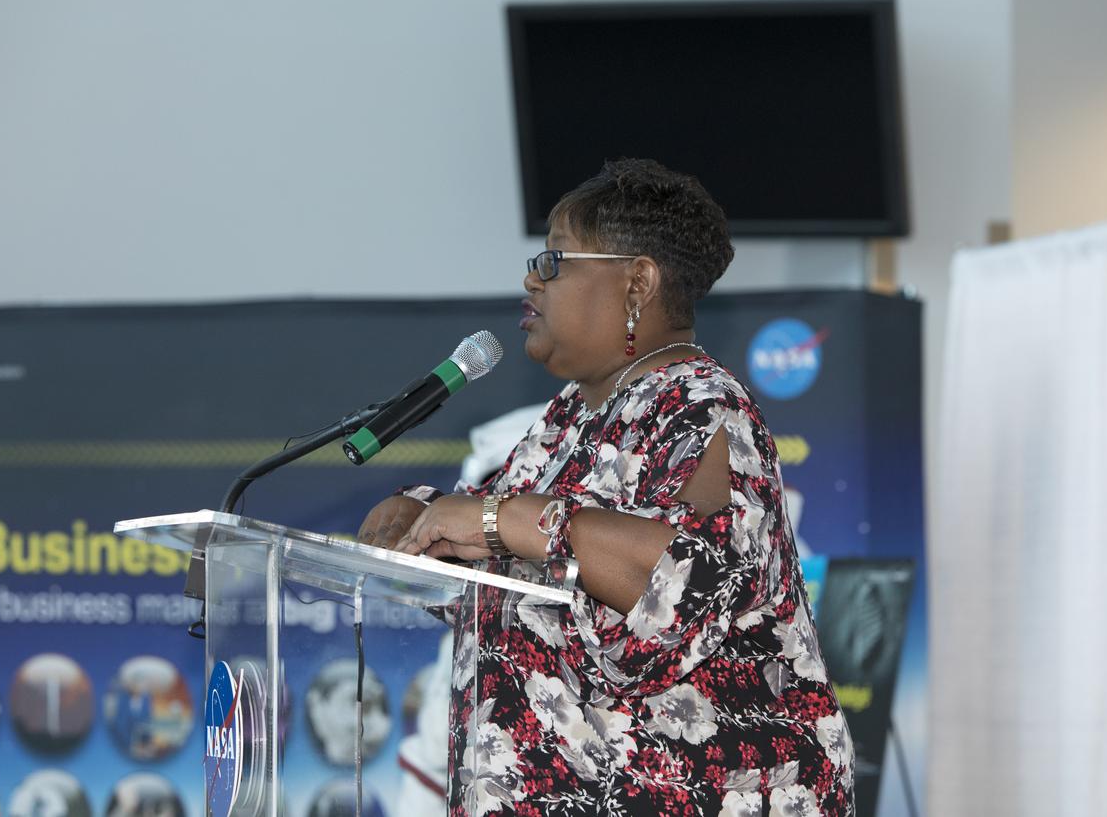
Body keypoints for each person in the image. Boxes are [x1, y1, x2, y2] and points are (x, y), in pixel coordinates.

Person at [358, 159, 854, 816]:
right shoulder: (571, 417)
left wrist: (488, 519)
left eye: (555, 260)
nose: (531, 276)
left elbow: (677, 583)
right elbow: (528, 570)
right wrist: (424, 520)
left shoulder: (704, 408)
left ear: (637, 282)